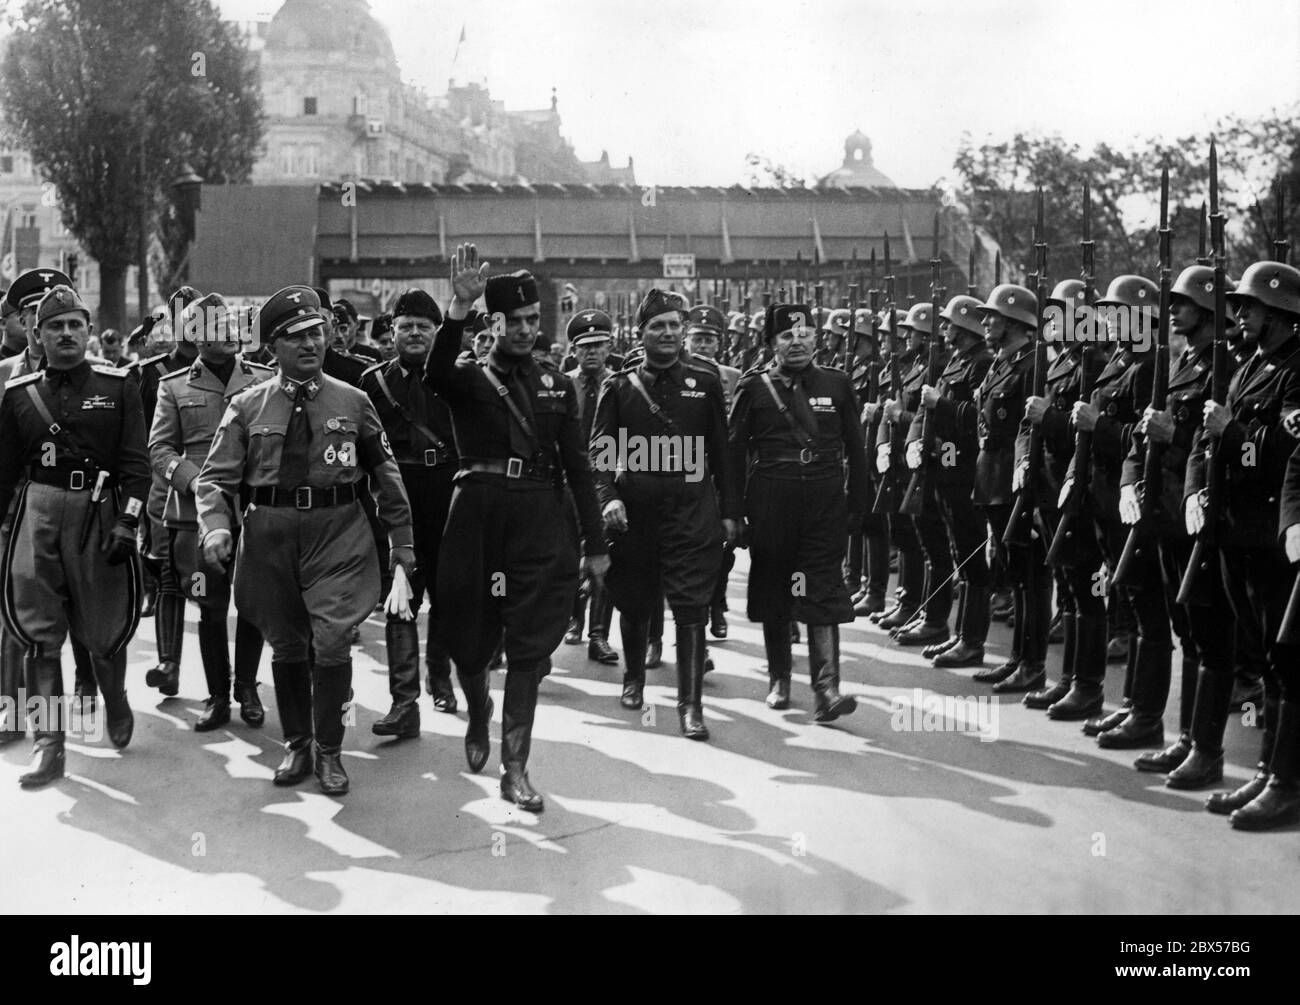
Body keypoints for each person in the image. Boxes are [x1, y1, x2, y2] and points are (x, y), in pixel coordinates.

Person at [197, 285, 415, 797]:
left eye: (316, 332)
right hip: (270, 536)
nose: (310, 344)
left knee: (334, 640)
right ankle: (297, 741)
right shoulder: (247, 407)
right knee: (288, 641)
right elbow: (215, 477)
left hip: (337, 533)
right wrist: (216, 525)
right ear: (272, 347)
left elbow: (386, 474)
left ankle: (331, 750)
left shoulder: (354, 401)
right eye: (295, 337)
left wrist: (402, 542)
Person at [424, 247, 608, 810]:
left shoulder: (557, 386)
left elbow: (579, 467)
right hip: (478, 518)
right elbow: (433, 374)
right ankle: (478, 706)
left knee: (528, 646)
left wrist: (594, 544)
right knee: (470, 639)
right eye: (515, 320)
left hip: (538, 521)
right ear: (494, 322)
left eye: (534, 320)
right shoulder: (466, 379)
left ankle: (515, 768)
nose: (526, 329)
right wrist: (457, 304)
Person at [0, 285, 148, 787]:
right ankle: (49, 745)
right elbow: (3, 473)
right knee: (40, 634)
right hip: (38, 511)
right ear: (37, 336)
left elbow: (136, 465)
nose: (66, 334)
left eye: (74, 325)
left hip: (98, 514)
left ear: (88, 331)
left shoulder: (121, 384)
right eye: (54, 326)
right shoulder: (20, 396)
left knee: (103, 629)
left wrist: (129, 521)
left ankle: (117, 699)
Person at [591, 290, 737, 734]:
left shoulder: (705, 382)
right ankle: (634, 679)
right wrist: (608, 498)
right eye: (659, 326)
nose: (669, 333)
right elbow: (598, 456)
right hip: (635, 513)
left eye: (675, 325)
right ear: (641, 334)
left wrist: (731, 511)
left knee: (691, 607)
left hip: (692, 510)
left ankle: (690, 706)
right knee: (634, 602)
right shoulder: (618, 388)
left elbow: (723, 452)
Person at [1190, 260, 1300, 829]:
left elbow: (1282, 454)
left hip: (1270, 535)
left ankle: (1285, 782)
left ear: (1279, 314)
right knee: (1262, 659)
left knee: (1286, 661)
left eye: (1249, 307)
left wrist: (1229, 433)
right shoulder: (1250, 366)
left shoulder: (1294, 371)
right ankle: (1266, 770)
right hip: (1236, 530)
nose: (1239, 314)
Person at [728, 303, 867, 717]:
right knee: (778, 588)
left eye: (804, 333)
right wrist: (733, 512)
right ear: (771, 343)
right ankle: (779, 678)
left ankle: (827, 689)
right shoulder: (754, 388)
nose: (798, 341)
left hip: (824, 503)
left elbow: (856, 450)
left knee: (820, 587)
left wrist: (858, 506)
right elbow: (734, 453)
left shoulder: (837, 384)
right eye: (787, 336)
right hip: (772, 500)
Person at [150, 293, 272, 730]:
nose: (226, 334)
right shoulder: (174, 386)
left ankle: (248, 687)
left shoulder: (263, 380)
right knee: (208, 603)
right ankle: (218, 695)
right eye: (212, 327)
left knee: (255, 603)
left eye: (228, 325)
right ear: (193, 335)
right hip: (193, 516)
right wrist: (193, 479)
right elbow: (160, 450)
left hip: (255, 508)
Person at [360, 288, 461, 734]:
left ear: (438, 333)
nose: (414, 334)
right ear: (392, 333)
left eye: (424, 327)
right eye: (406, 327)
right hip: (397, 498)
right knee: (400, 596)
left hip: (448, 494)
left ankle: (440, 677)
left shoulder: (457, 378)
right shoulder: (373, 383)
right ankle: (405, 703)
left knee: (446, 594)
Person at [1019, 280, 1108, 711]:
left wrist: (1049, 417)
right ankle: (1070, 679)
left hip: (1080, 489)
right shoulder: (1061, 363)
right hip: (1053, 486)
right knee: (1070, 589)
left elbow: (1084, 431)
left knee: (1087, 591)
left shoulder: (1093, 363)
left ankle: (1088, 687)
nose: (1052, 321)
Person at [971, 284, 1048, 691]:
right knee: (1017, 576)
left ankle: (1032, 665)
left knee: (1031, 577)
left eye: (993, 316)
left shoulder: (1032, 364)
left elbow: (1027, 431)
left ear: (1016, 322)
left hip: (1016, 481)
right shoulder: (1003, 362)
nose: (985, 322)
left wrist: (1026, 486)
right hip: (994, 480)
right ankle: (1019, 658)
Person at [909, 295, 994, 666]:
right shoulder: (957, 363)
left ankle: (971, 641)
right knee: (955, 552)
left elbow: (978, 420)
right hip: (944, 468)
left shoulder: (981, 365)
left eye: (949, 324)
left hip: (964, 472)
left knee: (972, 559)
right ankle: (953, 631)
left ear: (964, 327)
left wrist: (938, 405)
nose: (943, 330)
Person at [562, 309, 620, 665]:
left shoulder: (624, 384)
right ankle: (573, 617)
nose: (593, 353)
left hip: (606, 484)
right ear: (574, 350)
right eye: (585, 347)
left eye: (599, 345)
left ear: (610, 345)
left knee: (604, 558)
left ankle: (599, 634)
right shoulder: (562, 384)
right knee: (568, 555)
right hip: (569, 483)